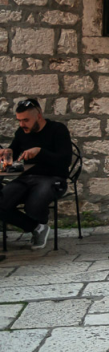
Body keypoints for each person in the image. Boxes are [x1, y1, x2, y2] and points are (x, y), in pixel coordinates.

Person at [0, 98, 73, 250]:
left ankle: (38, 223)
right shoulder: (21, 132)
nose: (22, 124)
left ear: (39, 115)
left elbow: (65, 160)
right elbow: (12, 157)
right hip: (25, 178)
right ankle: (37, 228)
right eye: (19, 120)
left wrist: (40, 152)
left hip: (52, 178)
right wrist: (6, 154)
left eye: (26, 120)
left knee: (34, 205)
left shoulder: (57, 129)